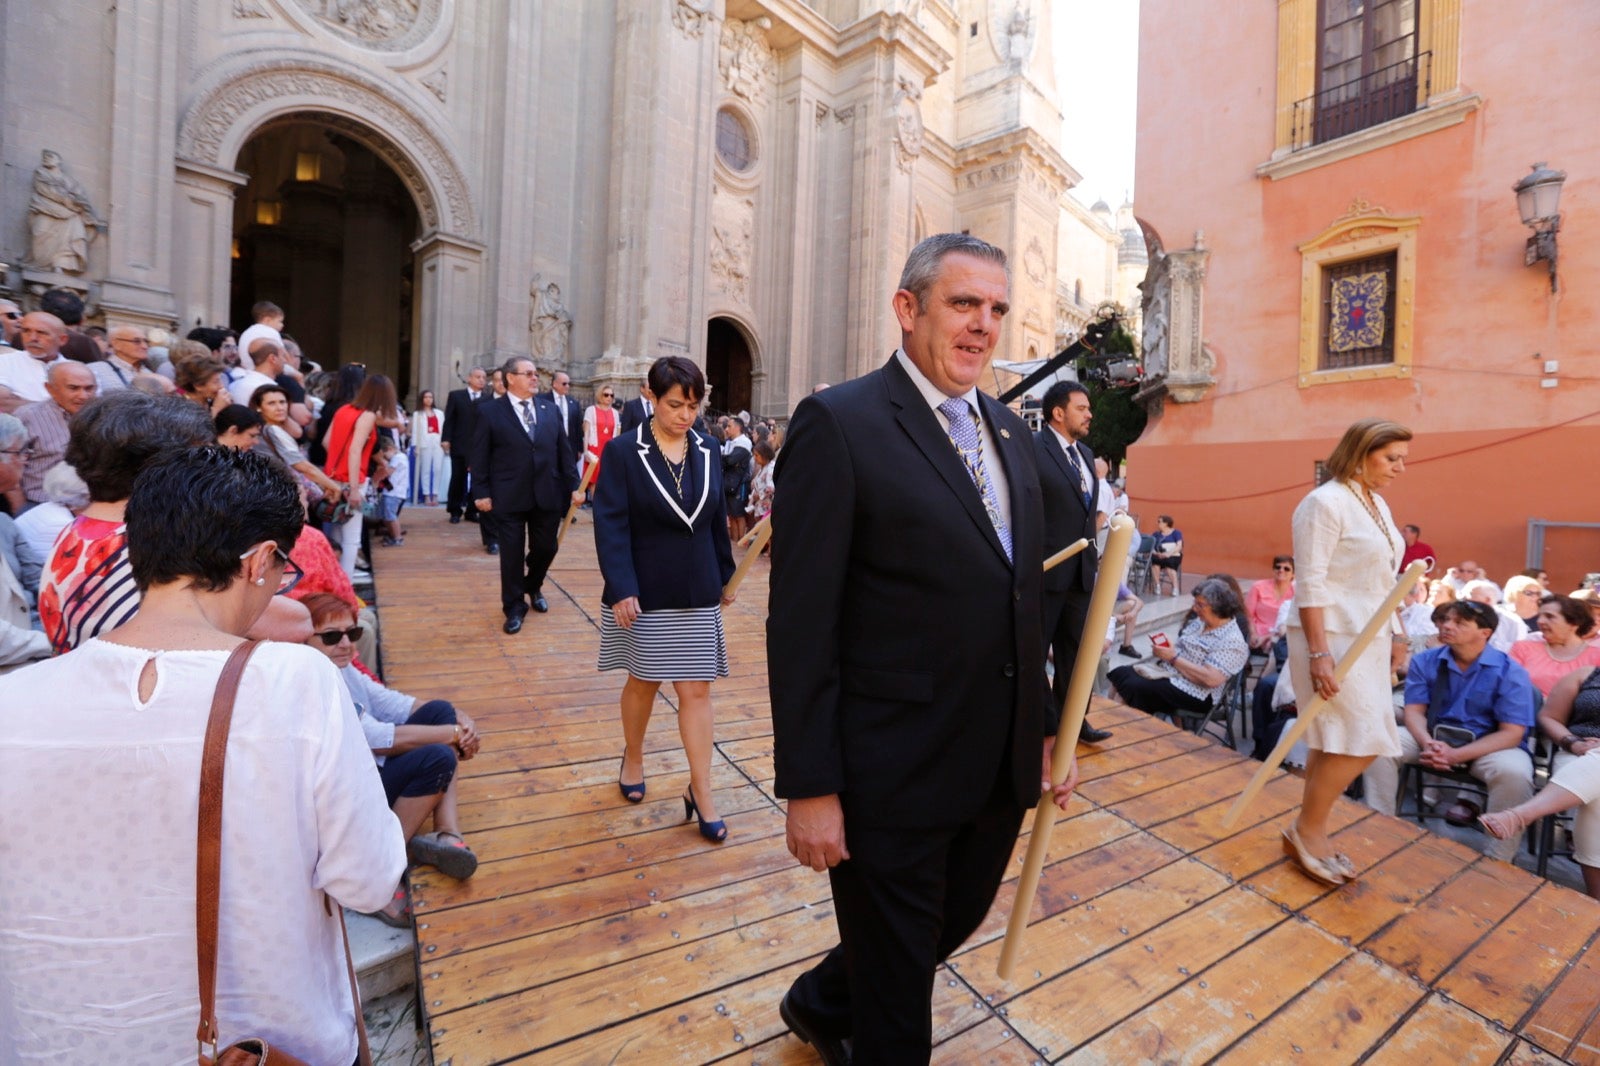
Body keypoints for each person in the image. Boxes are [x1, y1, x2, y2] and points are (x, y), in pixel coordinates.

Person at [768, 233, 1074, 1063]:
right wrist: (810, 785)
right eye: (964, 304)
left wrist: (1046, 728)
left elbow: (1026, 601)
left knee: (951, 922)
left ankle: (820, 1000)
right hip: (886, 774)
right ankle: (854, 1012)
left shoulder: (1011, 437)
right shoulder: (840, 424)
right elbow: (800, 623)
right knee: (901, 1011)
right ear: (908, 309)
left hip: (995, 765)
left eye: (997, 310)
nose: (984, 325)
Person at [0, 446, 405, 1061]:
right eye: (281, 571)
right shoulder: (294, 682)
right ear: (261, 559)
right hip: (252, 1040)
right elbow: (368, 880)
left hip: (49, 1042)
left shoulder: (14, 699)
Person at [39, 391, 311, 654]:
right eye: (201, 456)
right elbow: (294, 624)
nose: (211, 466)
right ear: (167, 469)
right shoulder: (150, 541)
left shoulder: (75, 531)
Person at [594, 356, 736, 841]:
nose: (685, 415)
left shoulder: (710, 447)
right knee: (644, 681)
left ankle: (702, 791)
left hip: (698, 588)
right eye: (676, 404)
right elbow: (610, 523)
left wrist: (724, 574)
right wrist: (621, 586)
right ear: (649, 397)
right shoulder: (621, 452)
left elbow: (715, 516)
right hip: (645, 590)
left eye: (694, 406)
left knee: (696, 690)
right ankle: (632, 755)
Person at [1284, 417, 1412, 887]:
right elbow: (1310, 581)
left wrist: (1398, 636)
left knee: (1335, 738)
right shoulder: (1324, 502)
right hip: (1331, 635)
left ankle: (1306, 828)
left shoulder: (1376, 503)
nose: (1400, 468)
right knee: (1364, 736)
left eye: (1403, 459)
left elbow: (1385, 582)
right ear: (1360, 454)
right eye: (1391, 458)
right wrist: (1319, 654)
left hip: (1369, 633)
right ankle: (1309, 830)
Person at [299, 593, 481, 898]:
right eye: (331, 637)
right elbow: (377, 739)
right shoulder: (315, 682)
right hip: (346, 793)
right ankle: (381, 866)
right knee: (438, 756)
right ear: (305, 642)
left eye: (352, 633)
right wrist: (452, 734)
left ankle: (447, 832)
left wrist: (458, 721)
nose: (345, 644)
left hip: (366, 770)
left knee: (440, 711)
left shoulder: (342, 668)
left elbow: (394, 704)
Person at [1363, 600, 1535, 860]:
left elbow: (1512, 732)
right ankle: (1379, 828)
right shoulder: (1425, 661)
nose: (1446, 626)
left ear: (1484, 633)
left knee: (1515, 773)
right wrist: (1428, 742)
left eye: (1459, 623)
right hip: (1433, 735)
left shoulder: (1510, 672)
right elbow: (1414, 711)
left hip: (1487, 745)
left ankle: (1499, 858)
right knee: (1381, 745)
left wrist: (1456, 756)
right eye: (1444, 620)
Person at [472, 356, 582, 633]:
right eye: (528, 374)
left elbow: (564, 453)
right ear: (510, 378)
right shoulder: (489, 412)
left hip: (547, 492)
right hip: (508, 495)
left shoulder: (549, 410)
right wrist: (481, 492)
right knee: (510, 555)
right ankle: (514, 607)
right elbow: (480, 456)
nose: (535, 378)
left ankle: (532, 586)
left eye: (536, 374)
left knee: (547, 548)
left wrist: (574, 486)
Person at [1035, 380, 1113, 743]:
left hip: (1081, 575)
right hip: (1044, 573)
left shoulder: (1084, 454)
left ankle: (1073, 725)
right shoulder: (1032, 449)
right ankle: (1040, 727)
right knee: (1034, 656)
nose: (1090, 414)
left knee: (1077, 657)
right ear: (1058, 412)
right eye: (1082, 408)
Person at [1107, 577, 1250, 721]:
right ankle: (1111, 723)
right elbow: (1182, 648)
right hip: (1172, 674)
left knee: (1133, 687)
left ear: (1218, 607)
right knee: (1122, 673)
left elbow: (1211, 679)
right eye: (1195, 603)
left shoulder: (1232, 640)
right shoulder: (1200, 623)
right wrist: (1168, 651)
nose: (1195, 609)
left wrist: (1172, 658)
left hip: (1197, 692)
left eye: (1200, 605)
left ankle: (1117, 728)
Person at [323, 374, 398, 579]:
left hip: (332, 478)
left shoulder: (343, 410)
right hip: (352, 480)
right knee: (351, 539)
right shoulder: (367, 416)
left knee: (337, 532)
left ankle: (335, 580)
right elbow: (355, 450)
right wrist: (355, 488)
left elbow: (327, 443)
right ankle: (346, 586)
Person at [16, 360, 96, 506]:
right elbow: (8, 468)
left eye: (89, 388)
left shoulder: (104, 416)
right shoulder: (27, 417)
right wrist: (23, 513)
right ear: (50, 389)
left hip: (93, 505)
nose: (83, 396)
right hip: (41, 503)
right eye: (73, 388)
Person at [251, 382, 345, 504]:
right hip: (275, 494)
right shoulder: (272, 430)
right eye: (271, 403)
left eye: (282, 402)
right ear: (259, 407)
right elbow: (302, 466)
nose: (280, 407)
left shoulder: (261, 428)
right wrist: (333, 486)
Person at [1508, 594, 1600, 698]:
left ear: (1573, 623)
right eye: (1540, 616)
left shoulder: (1596, 657)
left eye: (1549, 616)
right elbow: (1507, 686)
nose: (1539, 621)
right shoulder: (1522, 649)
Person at [0, 311, 70, 414]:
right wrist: (59, 407)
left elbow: (82, 409)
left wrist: (20, 401)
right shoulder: (4, 362)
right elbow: (4, 403)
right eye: (26, 331)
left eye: (41, 332)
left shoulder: (79, 371)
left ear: (62, 340)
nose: (32, 338)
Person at [1245, 555, 1295, 661]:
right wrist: (1253, 634)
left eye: (1286, 568)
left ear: (1293, 574)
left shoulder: (1295, 592)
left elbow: (1292, 621)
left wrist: (1268, 636)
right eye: (1278, 567)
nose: (1281, 570)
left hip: (1280, 633)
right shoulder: (1258, 587)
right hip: (1257, 631)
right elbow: (1248, 614)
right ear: (1273, 570)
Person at [1461, 578, 1527, 652]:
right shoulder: (1458, 617)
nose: (1464, 599)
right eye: (1463, 597)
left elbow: (1519, 650)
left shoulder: (1512, 621)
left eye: (1469, 595)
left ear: (1487, 600)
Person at [545, 370, 585, 478]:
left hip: (569, 447)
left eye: (569, 384)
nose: (567, 386)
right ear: (554, 384)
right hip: (550, 446)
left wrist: (580, 449)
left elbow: (578, 428)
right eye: (564, 383)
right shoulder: (542, 400)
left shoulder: (573, 403)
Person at [583, 382, 619, 499]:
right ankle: (596, 510)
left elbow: (617, 434)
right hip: (594, 449)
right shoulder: (591, 410)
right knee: (594, 481)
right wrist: (585, 452)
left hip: (609, 450)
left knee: (608, 480)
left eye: (611, 395)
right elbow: (586, 432)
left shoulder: (615, 413)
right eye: (606, 395)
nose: (609, 397)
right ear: (600, 395)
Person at [411, 389, 447, 504]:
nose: (428, 399)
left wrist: (445, 442)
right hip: (424, 442)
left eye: (430, 397)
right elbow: (415, 431)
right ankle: (426, 494)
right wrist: (415, 446)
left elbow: (444, 428)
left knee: (437, 468)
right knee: (425, 469)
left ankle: (435, 494)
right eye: (426, 397)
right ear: (422, 399)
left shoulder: (439, 413)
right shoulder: (418, 414)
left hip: (437, 441)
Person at [721, 415, 753, 542]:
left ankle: (741, 543)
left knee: (738, 515)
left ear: (738, 428)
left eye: (729, 426)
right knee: (731, 515)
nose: (726, 429)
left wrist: (725, 459)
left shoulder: (744, 442)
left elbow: (730, 460)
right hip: (728, 483)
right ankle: (734, 543)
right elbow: (726, 461)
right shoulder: (729, 442)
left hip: (740, 485)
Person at [375, 437, 409, 546]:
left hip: (394, 493)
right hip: (390, 492)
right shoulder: (399, 458)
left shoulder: (398, 457)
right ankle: (393, 534)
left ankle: (398, 537)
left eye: (385, 455)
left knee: (391, 516)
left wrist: (376, 478)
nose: (385, 458)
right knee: (386, 516)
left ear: (389, 449)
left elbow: (388, 472)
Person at [1151, 514, 1183, 595]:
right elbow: (1151, 547)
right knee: (1154, 562)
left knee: (1169, 564)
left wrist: (1168, 554)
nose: (1158, 523)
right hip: (1159, 554)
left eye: (1159, 522)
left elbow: (1179, 546)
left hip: (1173, 554)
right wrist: (1156, 553)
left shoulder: (1176, 533)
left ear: (1166, 523)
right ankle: (1157, 586)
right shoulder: (1156, 534)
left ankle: (1175, 588)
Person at [746, 439, 775, 526]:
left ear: (764, 455)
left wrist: (759, 495)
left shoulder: (770, 467)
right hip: (759, 507)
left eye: (757, 455)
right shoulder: (762, 468)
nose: (754, 458)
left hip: (766, 508)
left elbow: (771, 488)